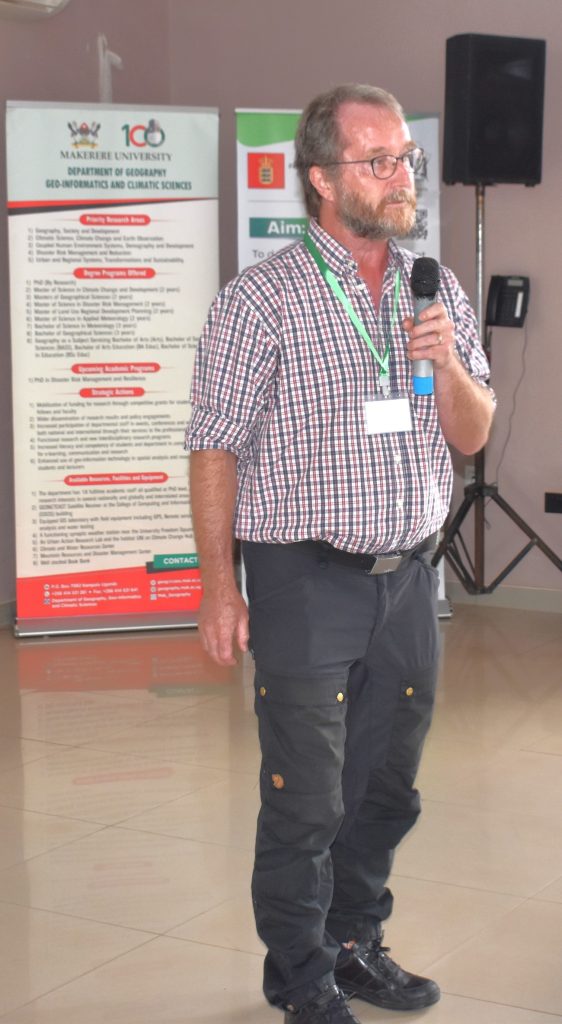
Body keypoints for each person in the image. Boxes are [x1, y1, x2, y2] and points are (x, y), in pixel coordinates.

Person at [185, 84, 495, 1024]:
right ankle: (303, 978)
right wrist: (216, 588)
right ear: (320, 178)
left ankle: (357, 945)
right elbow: (214, 446)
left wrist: (445, 366)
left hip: (408, 580)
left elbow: (474, 436)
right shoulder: (260, 301)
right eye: (378, 161)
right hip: (301, 578)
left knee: (386, 788)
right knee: (307, 796)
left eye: (406, 158)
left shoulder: (434, 285)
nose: (401, 177)